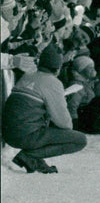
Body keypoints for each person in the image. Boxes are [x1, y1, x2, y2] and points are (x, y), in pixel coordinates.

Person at [1, 42, 87, 173]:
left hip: (8, 134)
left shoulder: (28, 75)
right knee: (80, 140)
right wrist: (60, 101)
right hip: (25, 136)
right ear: (58, 68)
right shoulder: (53, 82)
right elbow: (65, 124)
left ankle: (34, 159)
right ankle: (30, 156)